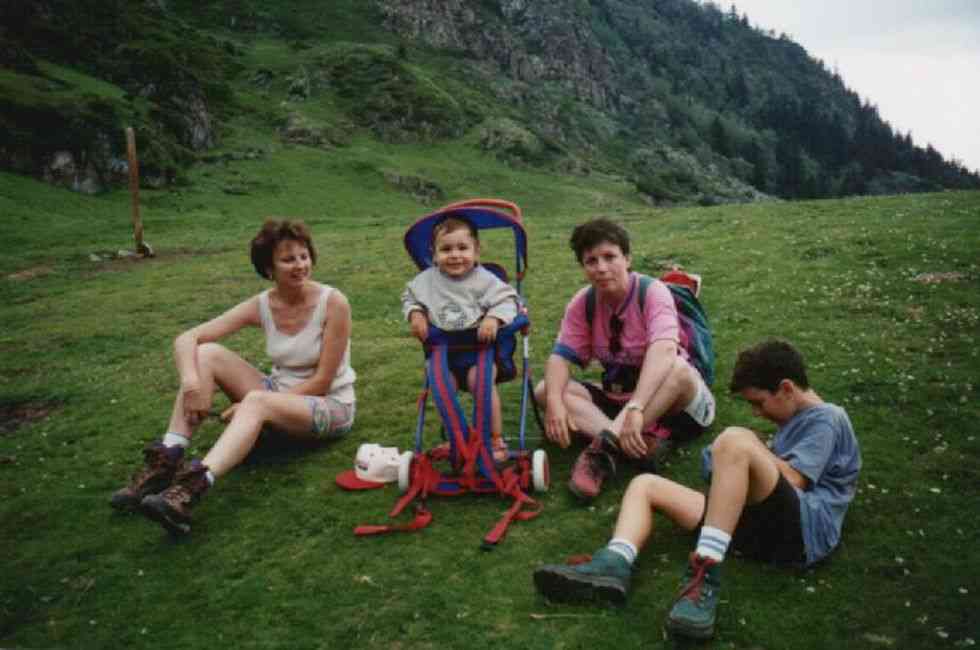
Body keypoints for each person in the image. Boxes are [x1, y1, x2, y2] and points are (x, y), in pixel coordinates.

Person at [533, 339, 861, 640]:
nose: (757, 413)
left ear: (786, 388)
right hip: (756, 525)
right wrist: (732, 458)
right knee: (645, 485)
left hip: (801, 534)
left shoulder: (827, 418)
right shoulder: (792, 421)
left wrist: (745, 450)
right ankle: (613, 564)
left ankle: (705, 573)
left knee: (735, 439)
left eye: (759, 403)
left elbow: (794, 480)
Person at [110, 219, 356, 535]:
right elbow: (188, 338)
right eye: (288, 259)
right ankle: (166, 460)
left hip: (329, 406)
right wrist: (191, 385)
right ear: (268, 268)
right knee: (207, 353)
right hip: (275, 396)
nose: (300, 265)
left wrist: (254, 403)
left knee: (255, 402)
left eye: (304, 256)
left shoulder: (333, 302)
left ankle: (188, 491)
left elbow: (322, 382)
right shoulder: (263, 304)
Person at [535, 218, 715, 499]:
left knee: (679, 369)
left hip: (673, 400)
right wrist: (556, 403)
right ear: (583, 267)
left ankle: (602, 451)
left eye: (610, 257)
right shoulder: (584, 303)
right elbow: (560, 357)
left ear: (627, 259)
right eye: (591, 261)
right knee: (546, 390)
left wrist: (636, 406)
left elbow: (664, 351)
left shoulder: (652, 292)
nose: (601, 268)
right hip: (620, 394)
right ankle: (632, 443)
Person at [401, 214, 519, 461]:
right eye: (446, 249)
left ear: (476, 251)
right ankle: (456, 437)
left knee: (480, 382)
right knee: (443, 386)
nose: (455, 255)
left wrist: (493, 318)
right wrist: (416, 313)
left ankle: (494, 439)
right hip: (443, 354)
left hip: (480, 353)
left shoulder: (485, 280)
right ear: (434, 254)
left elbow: (508, 300)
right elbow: (410, 297)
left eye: (463, 248)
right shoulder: (426, 280)